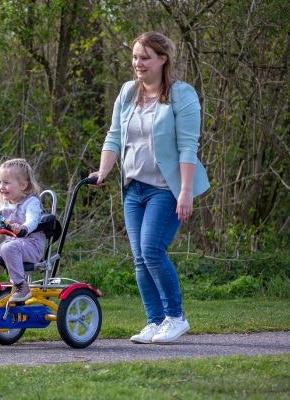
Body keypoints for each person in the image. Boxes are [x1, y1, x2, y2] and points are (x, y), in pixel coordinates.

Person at [88, 31, 209, 344]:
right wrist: (103, 170)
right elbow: (113, 136)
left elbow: (187, 146)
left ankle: (176, 317)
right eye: (135, 57)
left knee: (152, 250)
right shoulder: (128, 92)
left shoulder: (182, 95)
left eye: (145, 57)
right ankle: (155, 321)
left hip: (165, 189)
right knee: (140, 257)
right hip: (134, 188)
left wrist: (184, 192)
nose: (137, 64)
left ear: (163, 59)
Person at [0, 158, 46, 324]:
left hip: (31, 246)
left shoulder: (31, 202)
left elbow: (33, 220)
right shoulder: (3, 204)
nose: (1, 186)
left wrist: (24, 228)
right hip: (10, 247)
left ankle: (21, 286)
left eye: (6, 182)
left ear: (23, 185)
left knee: (8, 248)